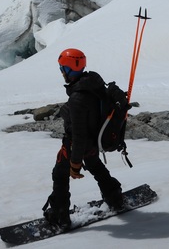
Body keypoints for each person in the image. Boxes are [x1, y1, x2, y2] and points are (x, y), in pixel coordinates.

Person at [42, 48, 124, 229]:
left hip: (79, 144)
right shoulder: (94, 83)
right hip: (94, 141)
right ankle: (114, 196)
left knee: (60, 174)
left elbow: (79, 134)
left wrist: (75, 163)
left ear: (69, 69)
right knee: (95, 165)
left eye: (62, 68)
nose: (61, 72)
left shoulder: (78, 98)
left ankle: (59, 215)